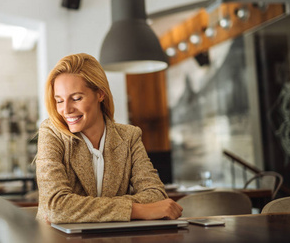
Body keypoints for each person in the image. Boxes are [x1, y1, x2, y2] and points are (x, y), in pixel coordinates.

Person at [36, 53, 182, 224]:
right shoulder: (51, 133)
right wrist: (137, 209)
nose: (66, 110)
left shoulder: (129, 137)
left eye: (76, 98)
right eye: (59, 101)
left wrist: (76, 209)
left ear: (100, 94)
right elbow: (56, 207)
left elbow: (156, 195)